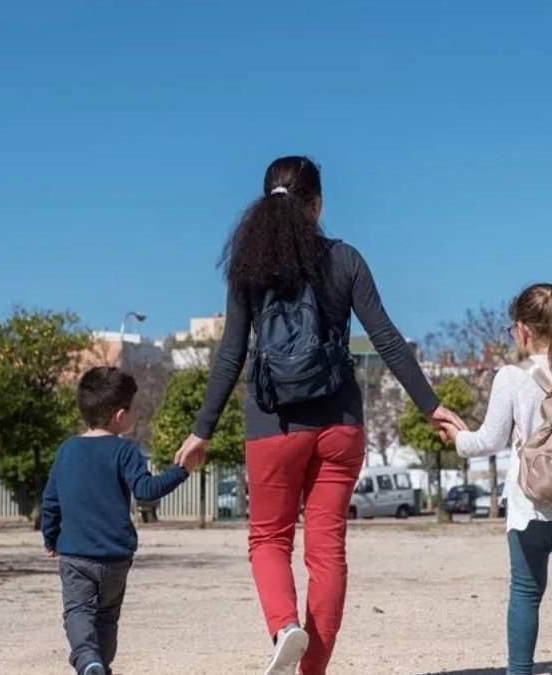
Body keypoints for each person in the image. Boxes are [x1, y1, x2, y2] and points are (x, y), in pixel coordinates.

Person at [174, 156, 466, 675]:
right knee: (327, 550)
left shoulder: (248, 269)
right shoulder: (345, 259)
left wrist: (202, 430)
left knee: (268, 538)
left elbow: (231, 354)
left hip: (273, 425)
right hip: (340, 424)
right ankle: (313, 671)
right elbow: (386, 339)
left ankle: (285, 626)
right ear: (318, 204)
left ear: (264, 204)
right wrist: (432, 405)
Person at [440, 283, 552, 675]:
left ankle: (519, 671)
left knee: (525, 593)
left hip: (530, 508)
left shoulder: (511, 377)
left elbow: (488, 440)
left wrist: (457, 436)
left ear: (522, 329)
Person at [41, 367, 201, 675]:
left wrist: (51, 538)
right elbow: (146, 491)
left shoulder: (67, 450)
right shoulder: (125, 450)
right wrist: (182, 470)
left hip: (75, 555)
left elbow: (50, 502)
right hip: (116, 557)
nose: (135, 416)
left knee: (78, 611)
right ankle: (101, 664)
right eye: (134, 410)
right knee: (107, 616)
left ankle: (88, 661)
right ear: (119, 416)